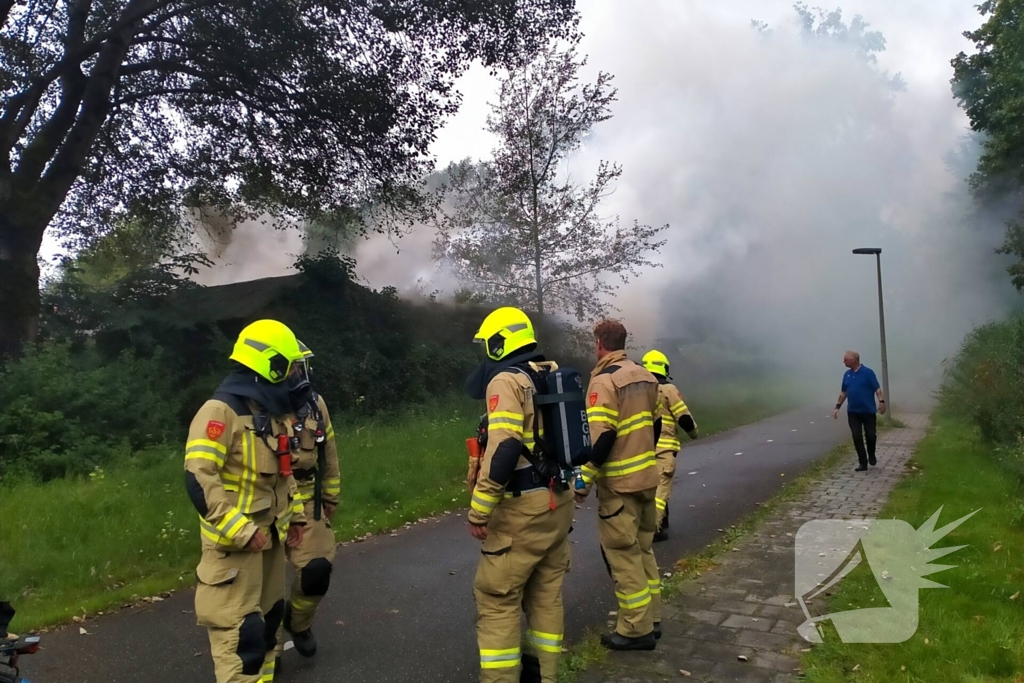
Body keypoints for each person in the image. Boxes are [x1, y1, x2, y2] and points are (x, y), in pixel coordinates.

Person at [184, 319, 309, 683]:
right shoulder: (218, 413)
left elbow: (283, 476)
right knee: (243, 638)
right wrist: (240, 530)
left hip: (268, 542)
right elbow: (197, 478)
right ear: (270, 366)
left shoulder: (268, 417)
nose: (297, 379)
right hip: (234, 551)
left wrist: (296, 518)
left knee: (268, 627)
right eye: (292, 369)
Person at [465, 306, 574, 683]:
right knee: (546, 596)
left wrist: (480, 510)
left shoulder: (507, 381)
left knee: (497, 600)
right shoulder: (550, 374)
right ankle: (545, 677)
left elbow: (506, 448)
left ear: (499, 342)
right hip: (557, 501)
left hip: (521, 511)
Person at [575, 320, 661, 651]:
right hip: (647, 479)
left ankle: (635, 630)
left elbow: (604, 436)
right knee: (643, 551)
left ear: (600, 343)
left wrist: (584, 478)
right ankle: (652, 620)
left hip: (621, 486)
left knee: (623, 558)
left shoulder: (603, 382)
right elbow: (654, 427)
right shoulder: (646, 376)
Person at [277, 340, 341, 660]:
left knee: (317, 570)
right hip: (268, 500)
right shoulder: (251, 408)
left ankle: (298, 622)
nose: (296, 374)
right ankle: (266, 652)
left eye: (299, 366)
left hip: (307, 496)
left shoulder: (315, 404)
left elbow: (327, 452)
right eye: (290, 367)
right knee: (265, 585)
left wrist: (330, 494)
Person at [640, 350, 698, 543]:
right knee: (660, 491)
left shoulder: (637, 389)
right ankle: (652, 531)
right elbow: (684, 417)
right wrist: (694, 434)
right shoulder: (668, 389)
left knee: (646, 488)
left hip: (640, 448)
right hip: (663, 450)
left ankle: (660, 522)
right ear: (663, 367)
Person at [833, 350, 886, 472]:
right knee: (856, 436)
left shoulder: (868, 373)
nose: (843, 362)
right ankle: (863, 462)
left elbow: (877, 390)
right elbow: (843, 392)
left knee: (871, 435)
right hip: (853, 412)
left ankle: (871, 454)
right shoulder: (847, 375)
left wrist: (881, 402)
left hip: (868, 411)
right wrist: (837, 407)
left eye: (845, 359)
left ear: (853, 360)